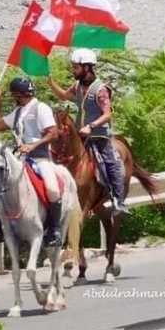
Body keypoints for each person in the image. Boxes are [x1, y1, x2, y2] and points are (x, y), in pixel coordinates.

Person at [47, 49, 129, 216]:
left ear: (87, 68)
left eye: (76, 67)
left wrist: (91, 126)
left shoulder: (101, 90)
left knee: (110, 161)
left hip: (99, 134)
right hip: (80, 134)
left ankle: (117, 200)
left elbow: (107, 114)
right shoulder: (77, 86)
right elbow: (63, 96)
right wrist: (50, 82)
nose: (73, 70)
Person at [0, 76, 61, 247]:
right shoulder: (19, 112)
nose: (14, 99)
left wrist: (33, 146)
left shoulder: (41, 108)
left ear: (18, 95)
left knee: (52, 189)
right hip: (19, 159)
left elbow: (53, 134)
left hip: (40, 157)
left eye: (14, 96)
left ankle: (54, 229)